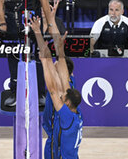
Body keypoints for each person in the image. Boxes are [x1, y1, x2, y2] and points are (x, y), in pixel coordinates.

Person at [31, 9, 82, 159]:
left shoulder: (65, 105)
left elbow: (52, 87)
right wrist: (50, 20)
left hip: (55, 141)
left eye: (58, 68)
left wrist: (38, 33)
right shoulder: (72, 95)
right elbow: (59, 58)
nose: (56, 65)